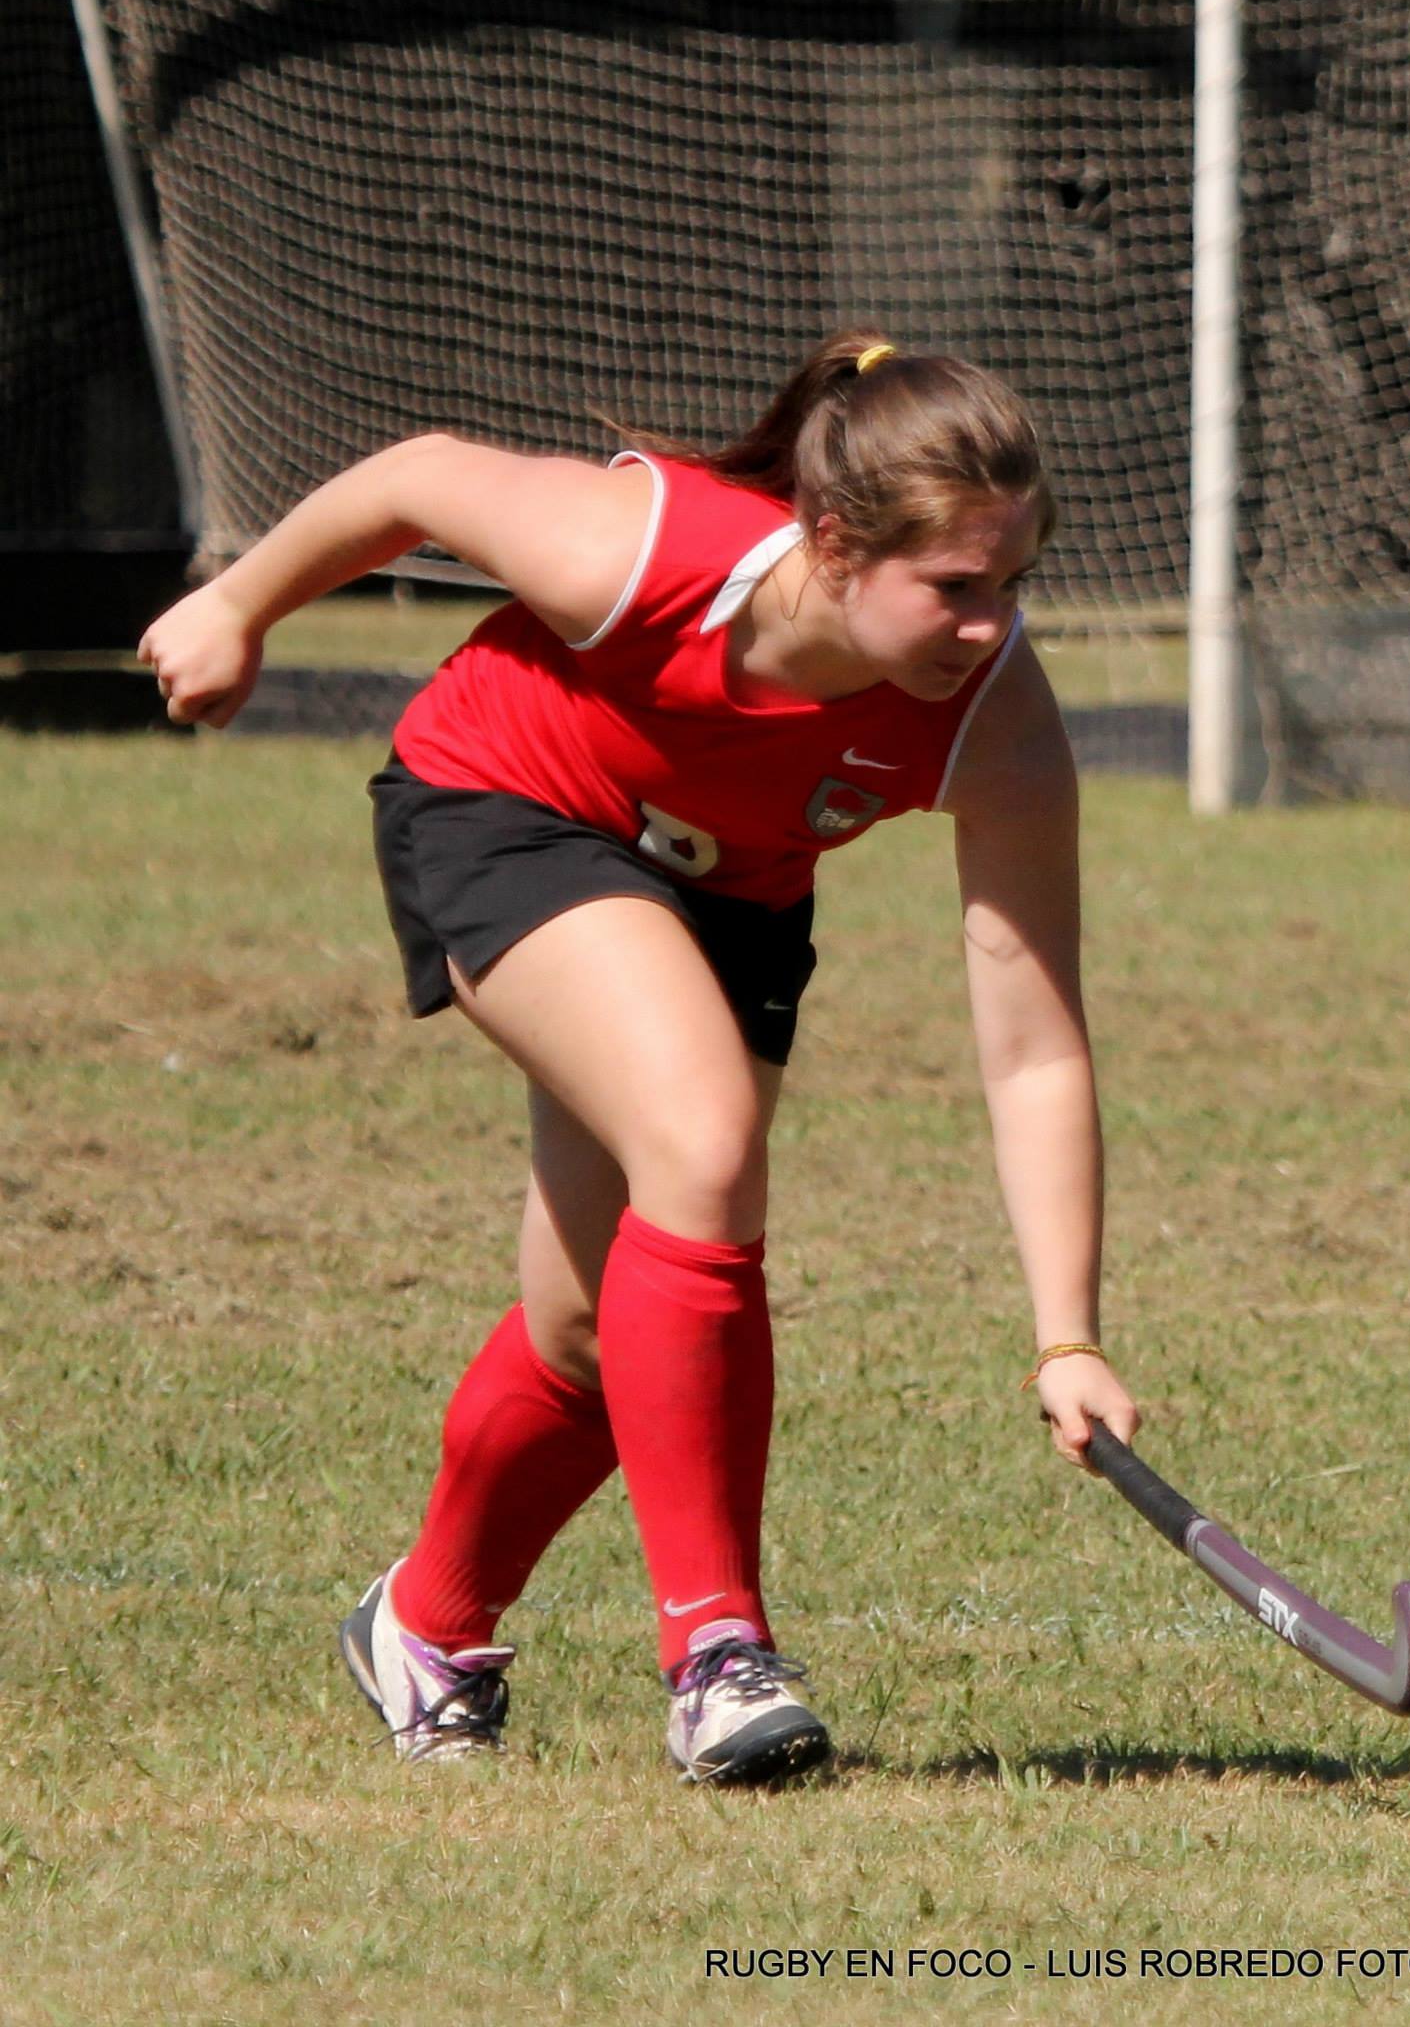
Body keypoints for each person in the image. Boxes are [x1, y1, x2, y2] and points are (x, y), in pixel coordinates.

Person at [138, 330, 1141, 1785]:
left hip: (729, 904)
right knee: (706, 1139)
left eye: (1013, 584)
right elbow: (418, 479)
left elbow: (1037, 1045)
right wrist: (236, 605)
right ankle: (719, 1653)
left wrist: (1070, 1335)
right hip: (504, 805)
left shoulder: (997, 723)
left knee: (598, 1335)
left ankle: (423, 1625)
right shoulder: (649, 551)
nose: (991, 625)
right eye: (953, 587)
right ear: (833, 545)